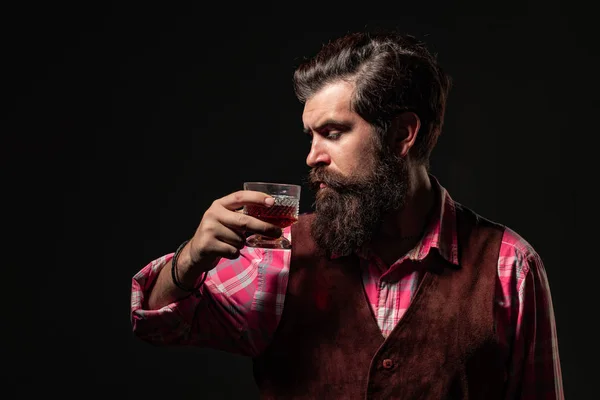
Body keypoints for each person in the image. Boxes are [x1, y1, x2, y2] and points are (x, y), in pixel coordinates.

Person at [130, 30, 564, 399]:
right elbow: (156, 322)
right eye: (311, 135)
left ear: (401, 135)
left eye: (333, 133)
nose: (312, 156)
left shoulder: (509, 267)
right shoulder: (278, 254)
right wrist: (188, 263)